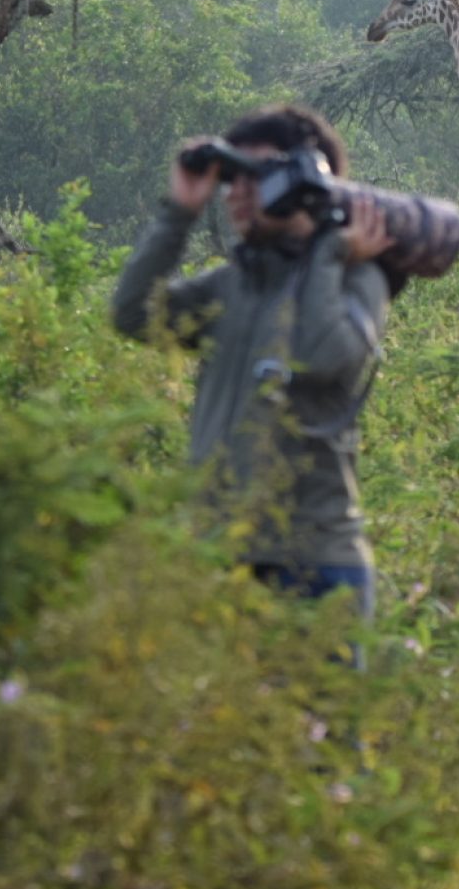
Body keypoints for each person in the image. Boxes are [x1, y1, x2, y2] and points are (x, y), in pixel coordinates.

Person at [112, 104, 395, 638]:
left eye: (253, 177)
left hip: (317, 564)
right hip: (220, 552)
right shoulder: (230, 284)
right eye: (228, 178)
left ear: (306, 178)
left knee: (318, 724)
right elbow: (132, 315)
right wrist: (178, 213)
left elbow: (323, 355)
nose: (234, 193)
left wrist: (329, 254)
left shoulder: (359, 277)